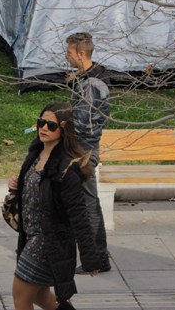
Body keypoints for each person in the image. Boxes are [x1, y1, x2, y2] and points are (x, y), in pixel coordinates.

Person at [8, 102, 101, 310]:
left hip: (47, 241)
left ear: (63, 129)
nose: (43, 128)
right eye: (41, 122)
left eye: (51, 125)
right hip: (29, 236)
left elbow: (79, 215)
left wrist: (90, 258)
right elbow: (36, 190)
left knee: (20, 296)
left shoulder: (66, 168)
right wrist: (17, 185)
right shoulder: (36, 154)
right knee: (39, 295)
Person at [65, 32, 112, 274]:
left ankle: (97, 259)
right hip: (82, 148)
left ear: (81, 53)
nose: (66, 56)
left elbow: (84, 124)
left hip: (83, 150)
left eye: (69, 52)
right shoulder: (89, 78)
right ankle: (97, 257)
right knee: (85, 203)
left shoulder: (92, 84)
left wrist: (62, 123)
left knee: (88, 205)